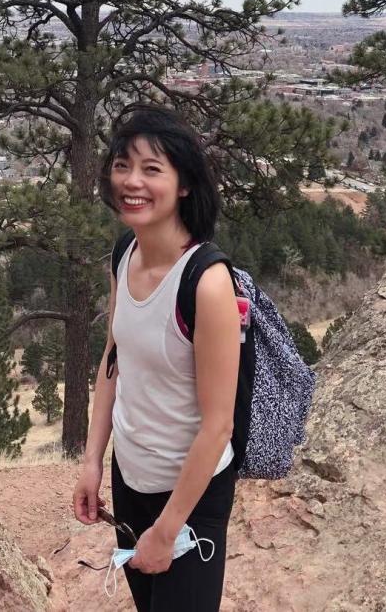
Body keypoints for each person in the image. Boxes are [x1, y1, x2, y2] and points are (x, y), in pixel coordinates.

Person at [72, 105, 240, 611]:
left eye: (151, 169)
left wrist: (168, 530)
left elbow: (218, 426)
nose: (131, 182)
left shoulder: (207, 283)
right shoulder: (124, 253)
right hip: (131, 480)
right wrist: (91, 462)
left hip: (191, 495)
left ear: (184, 183)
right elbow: (113, 360)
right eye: (123, 165)